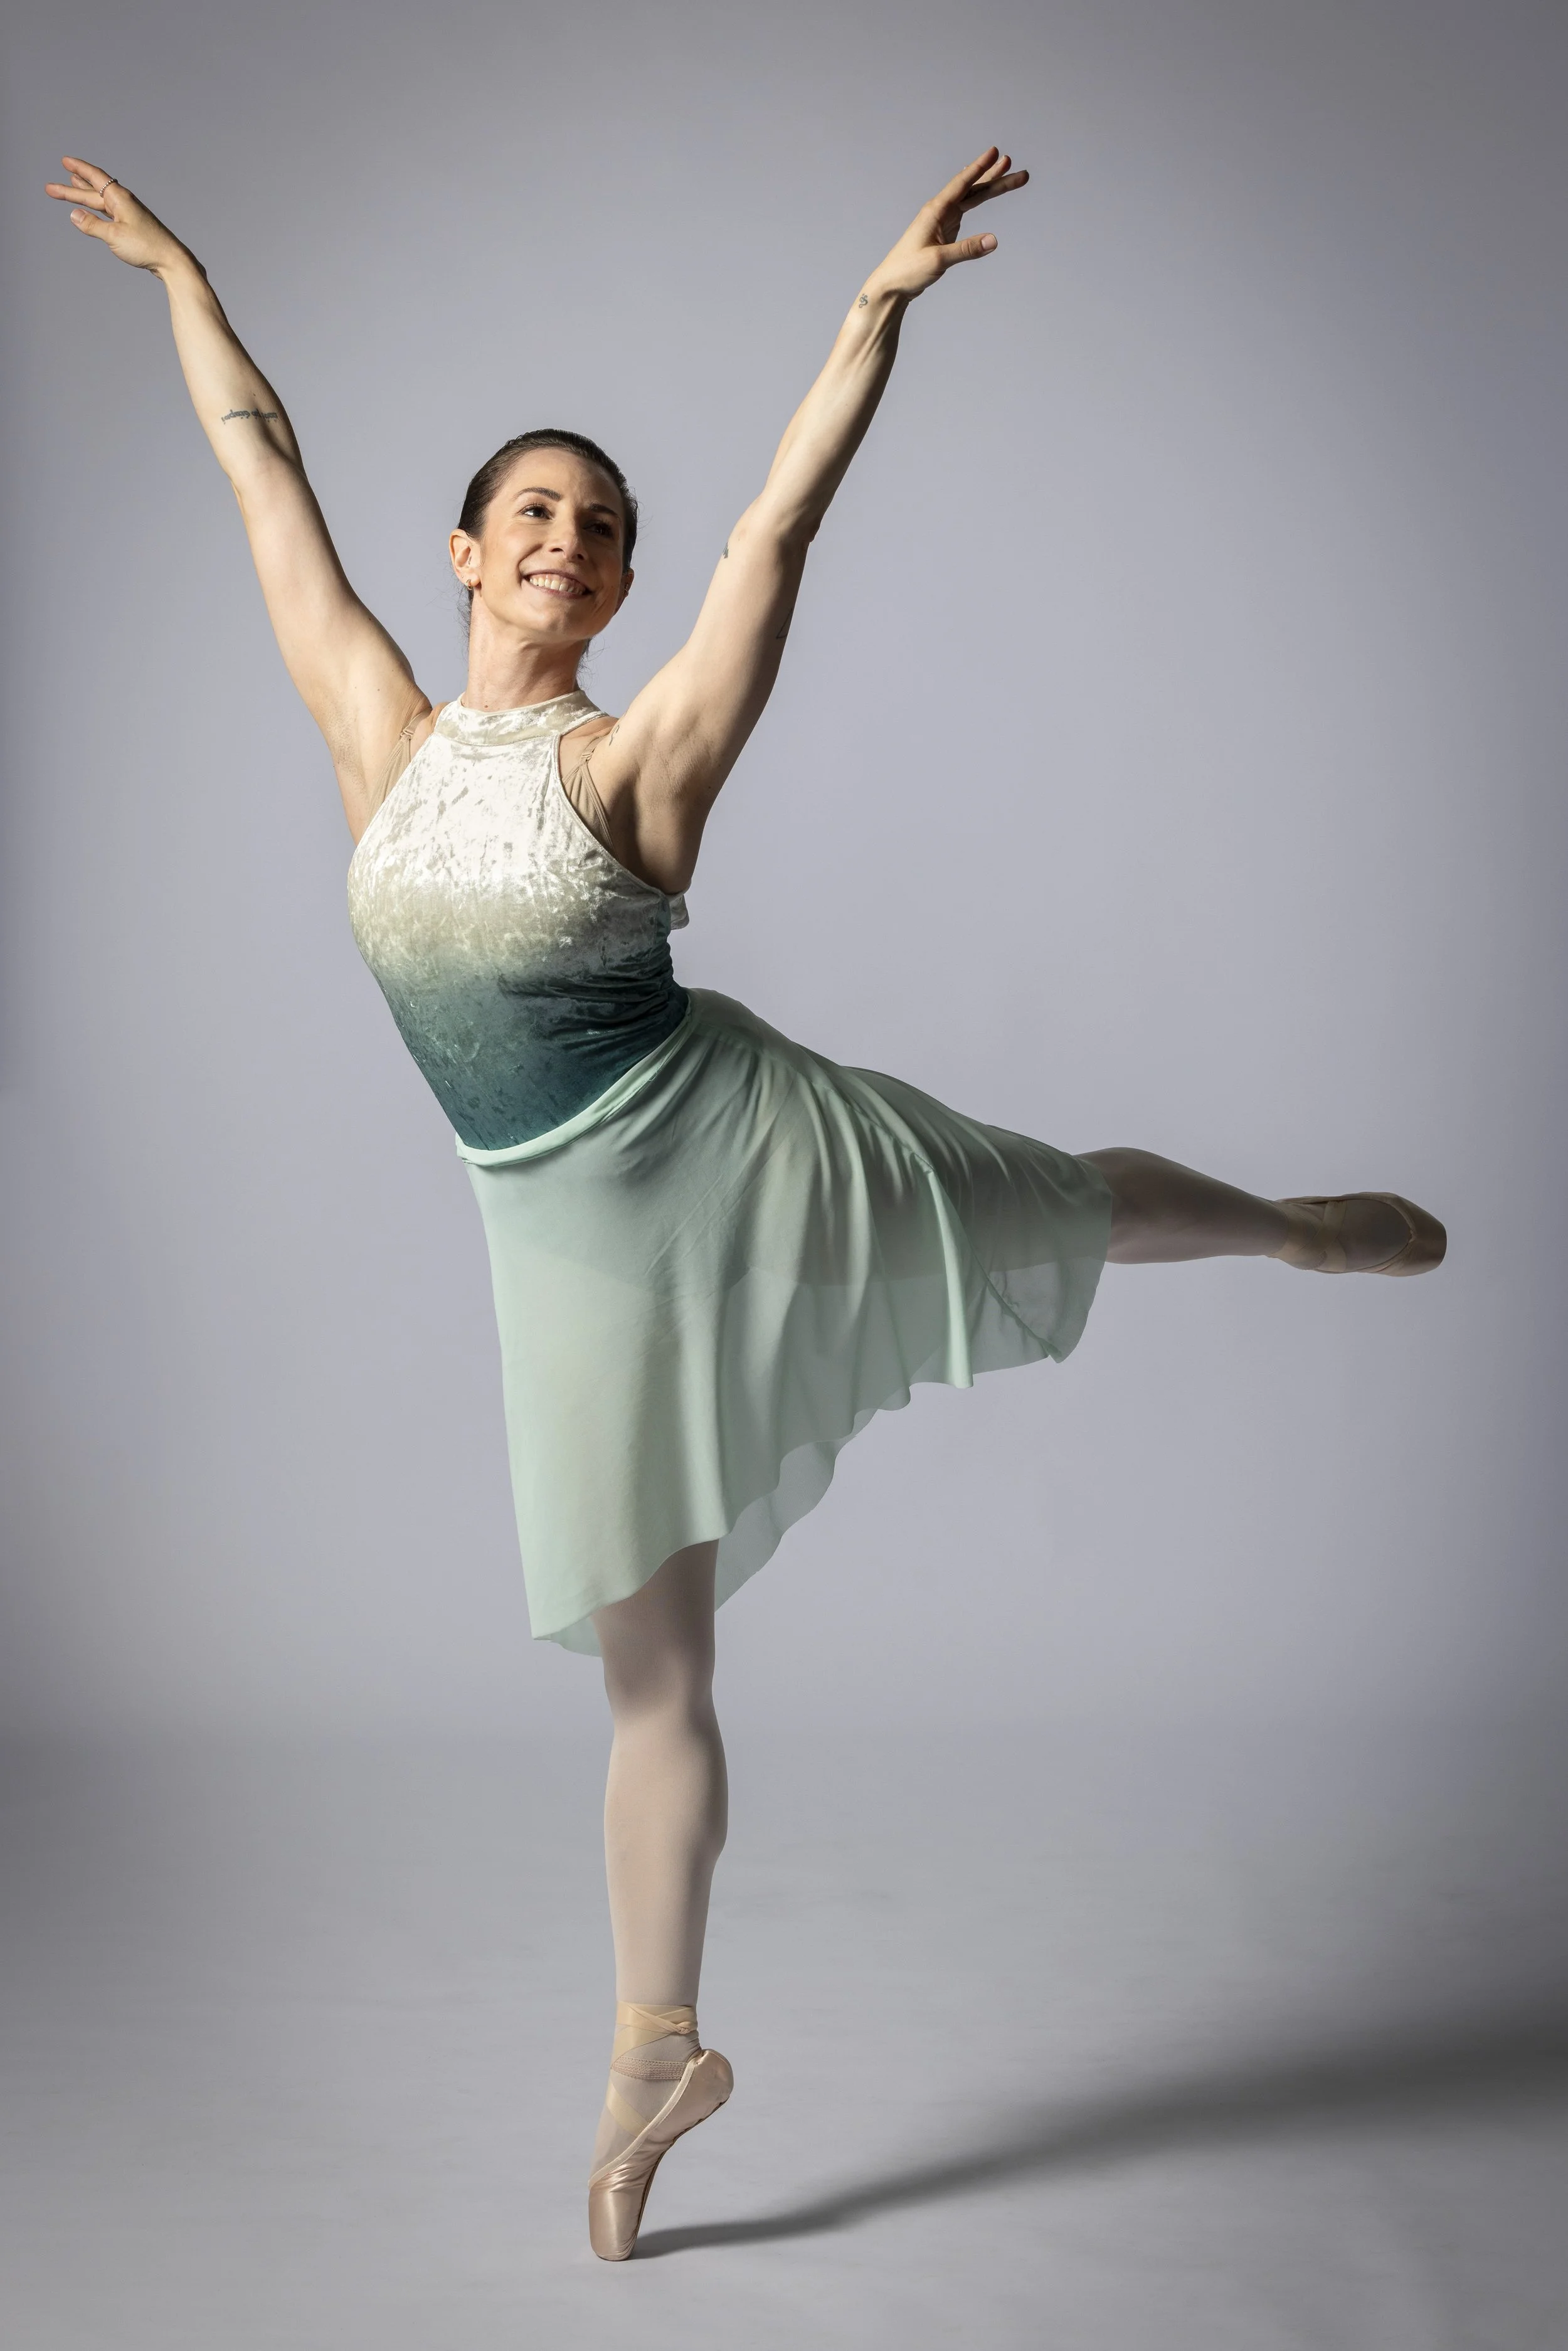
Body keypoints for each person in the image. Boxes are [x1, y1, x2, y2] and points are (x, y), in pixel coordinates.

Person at [47, 146, 1444, 2259]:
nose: (572, 542)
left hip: (742, 1146)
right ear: (462, 549)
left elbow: (775, 527)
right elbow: (262, 476)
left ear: (614, 585)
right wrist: (187, 272)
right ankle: (653, 2054)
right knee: (651, 1679)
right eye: (534, 511)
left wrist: (866, 317)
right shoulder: (380, 734)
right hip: (564, 1244)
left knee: (1047, 1203)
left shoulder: (638, 765)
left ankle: (1279, 1223)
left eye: (600, 529)